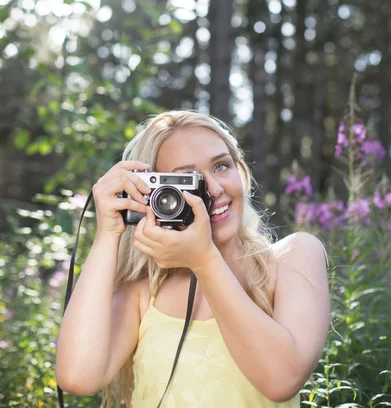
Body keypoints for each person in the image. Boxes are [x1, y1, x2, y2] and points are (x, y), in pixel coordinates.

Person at [56, 110, 330, 408]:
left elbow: (282, 380)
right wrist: (108, 235)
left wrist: (205, 260)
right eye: (189, 179)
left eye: (222, 166)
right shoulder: (145, 292)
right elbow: (77, 377)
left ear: (241, 171)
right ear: (155, 195)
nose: (213, 189)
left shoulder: (293, 257)